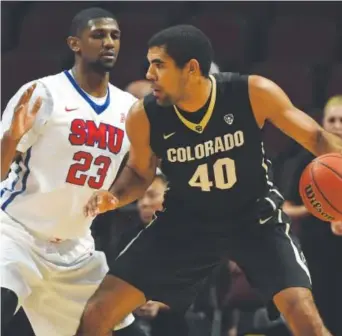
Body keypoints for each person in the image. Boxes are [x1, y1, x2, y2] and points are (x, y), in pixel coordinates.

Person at [76, 25, 342, 336]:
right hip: (185, 221)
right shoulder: (144, 115)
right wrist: (115, 195)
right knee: (96, 313)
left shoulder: (252, 92)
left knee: (303, 314)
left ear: (190, 68)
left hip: (253, 217)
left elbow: (318, 138)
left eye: (159, 64)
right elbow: (139, 172)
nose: (149, 74)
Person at [0, 7, 137, 336]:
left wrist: (115, 197)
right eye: (98, 35)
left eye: (115, 36)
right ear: (75, 43)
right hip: (16, 234)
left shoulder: (128, 108)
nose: (109, 42)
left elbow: (139, 173)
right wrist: (11, 137)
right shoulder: (43, 93)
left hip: (75, 249)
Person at [283, 95, 342, 336]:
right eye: (332, 119)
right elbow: (286, 207)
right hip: (318, 256)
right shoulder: (308, 161)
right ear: (323, 123)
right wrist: (317, 207)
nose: (337, 125)